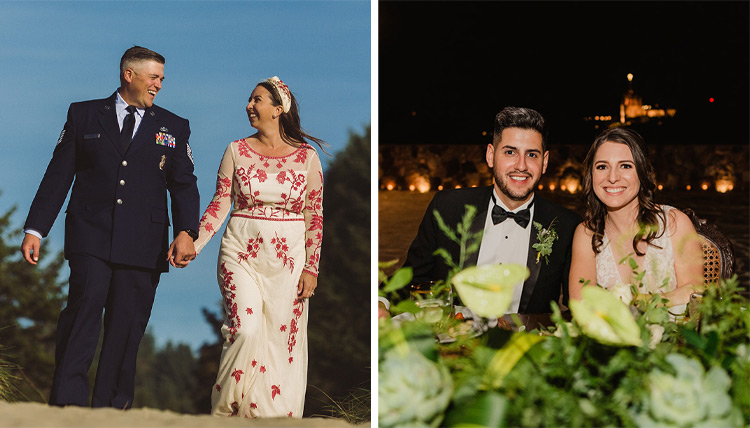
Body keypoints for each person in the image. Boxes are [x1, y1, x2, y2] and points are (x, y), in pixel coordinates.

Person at [20, 46, 200, 408]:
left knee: (126, 327)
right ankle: (67, 406)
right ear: (128, 75)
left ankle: (112, 411)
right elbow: (59, 175)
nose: (159, 85)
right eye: (154, 77)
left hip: (144, 243)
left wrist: (186, 231)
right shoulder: (83, 115)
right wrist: (36, 229)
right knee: (83, 311)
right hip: (90, 236)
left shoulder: (174, 126)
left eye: (162, 79)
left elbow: (183, 183)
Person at [194, 76, 325, 418]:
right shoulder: (236, 150)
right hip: (240, 252)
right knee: (246, 328)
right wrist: (194, 243)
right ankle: (224, 413)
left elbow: (315, 214)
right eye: (249, 100)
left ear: (279, 109)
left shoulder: (308, 158)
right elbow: (220, 203)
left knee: (282, 344)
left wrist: (312, 267)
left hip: (290, 261)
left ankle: (271, 418)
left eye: (258, 100)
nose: (249, 105)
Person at [381, 106, 580, 316]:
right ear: (491, 155)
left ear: (545, 162)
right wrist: (380, 303)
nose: (521, 165)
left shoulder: (566, 225)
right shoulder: (448, 207)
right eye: (510, 152)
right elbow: (412, 276)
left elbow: (576, 308)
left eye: (532, 154)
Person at [568, 127, 704, 309]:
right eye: (602, 167)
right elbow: (580, 305)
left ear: (642, 172)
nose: (613, 177)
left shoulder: (673, 223)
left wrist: (637, 302)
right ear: (591, 175)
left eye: (625, 166)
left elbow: (695, 292)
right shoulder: (586, 234)